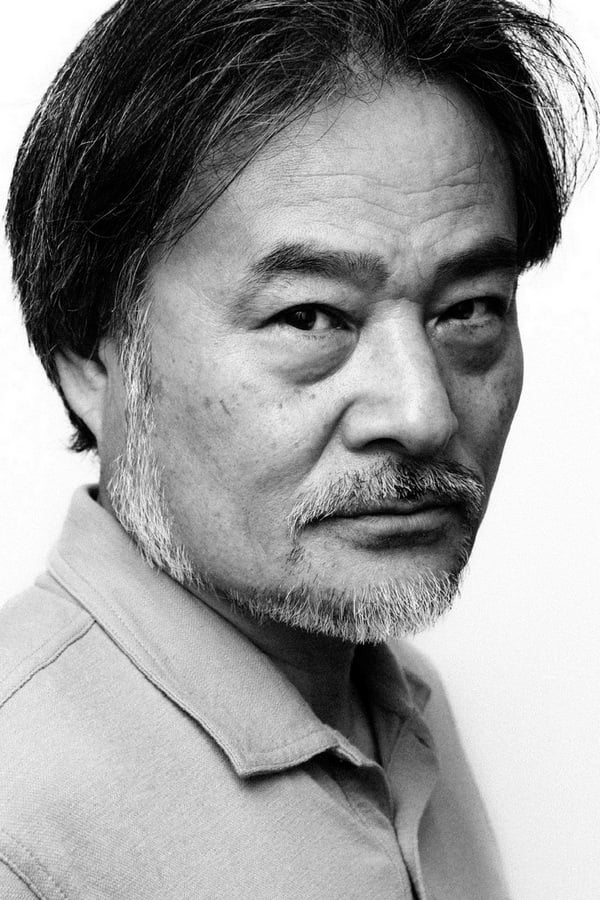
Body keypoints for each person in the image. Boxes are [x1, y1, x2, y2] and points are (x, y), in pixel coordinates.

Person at [0, 1, 595, 897]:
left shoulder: (401, 698)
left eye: (469, 309)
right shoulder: (20, 821)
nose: (423, 413)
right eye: (310, 316)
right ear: (92, 356)